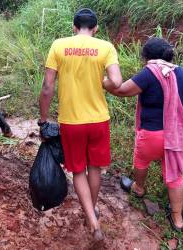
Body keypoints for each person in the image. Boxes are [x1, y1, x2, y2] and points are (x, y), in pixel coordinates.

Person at [38, 8, 122, 242]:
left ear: (74, 27)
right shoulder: (105, 47)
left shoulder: (59, 45)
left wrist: (43, 120)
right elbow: (116, 81)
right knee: (95, 168)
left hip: (72, 121)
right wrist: (102, 82)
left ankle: (93, 222)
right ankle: (91, 212)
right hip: (99, 120)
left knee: (78, 170)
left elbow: (47, 88)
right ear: (95, 29)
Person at [106, 37, 183, 232]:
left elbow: (122, 90)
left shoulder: (149, 73)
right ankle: (177, 219)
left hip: (152, 134)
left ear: (146, 57)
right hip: (176, 135)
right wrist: (179, 104)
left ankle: (139, 188)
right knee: (175, 176)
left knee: (141, 161)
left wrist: (102, 81)